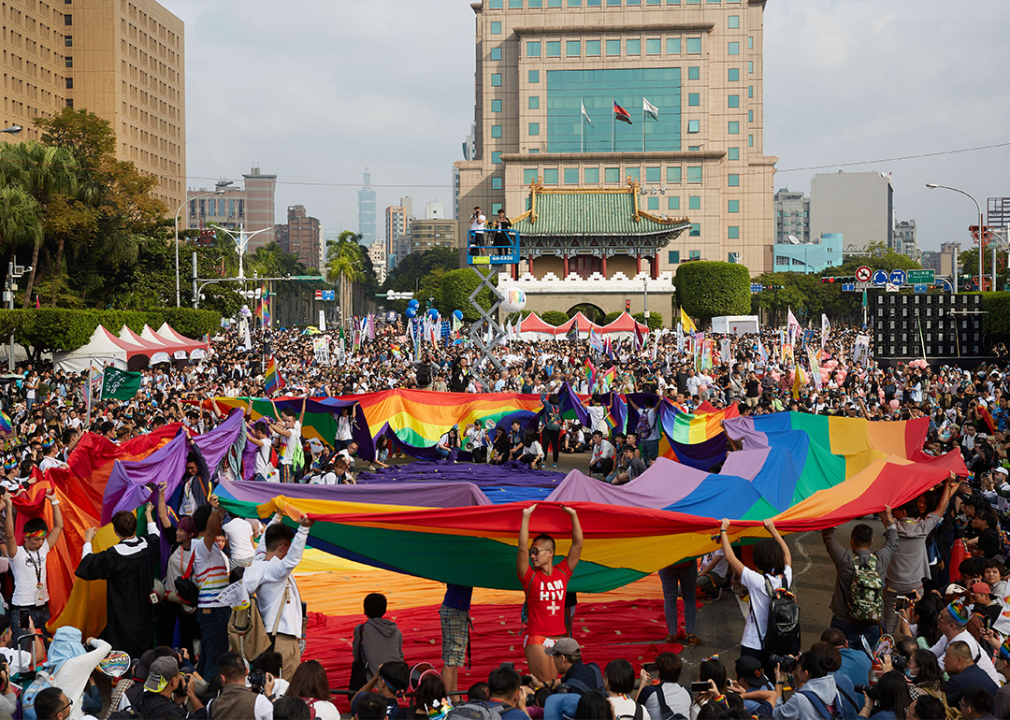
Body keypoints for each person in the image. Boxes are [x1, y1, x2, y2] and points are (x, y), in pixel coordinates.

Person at [76, 505, 161, 662]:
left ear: (115, 531)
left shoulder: (114, 556)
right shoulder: (147, 546)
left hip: (123, 614)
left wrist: (88, 541)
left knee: (123, 653)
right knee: (144, 649)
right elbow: (155, 535)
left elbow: (87, 565)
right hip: (145, 610)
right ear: (135, 527)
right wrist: (149, 515)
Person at [242, 510, 314, 681]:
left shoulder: (259, 563)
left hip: (271, 636)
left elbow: (262, 546)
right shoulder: (275, 571)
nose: (289, 551)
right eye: (288, 546)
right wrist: (303, 529)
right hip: (282, 639)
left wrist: (278, 515)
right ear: (283, 546)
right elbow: (292, 560)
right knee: (284, 687)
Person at [517, 503, 583, 684]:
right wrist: (526, 516)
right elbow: (522, 549)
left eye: (536, 552)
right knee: (546, 685)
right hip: (537, 638)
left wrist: (573, 515)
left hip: (560, 639)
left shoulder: (562, 572)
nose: (532, 556)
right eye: (532, 552)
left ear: (550, 553)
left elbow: (578, 544)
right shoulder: (529, 577)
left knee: (554, 685)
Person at [884, 477, 959, 633]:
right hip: (914, 586)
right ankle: (909, 646)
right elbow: (942, 507)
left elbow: (883, 511)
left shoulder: (893, 527)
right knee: (912, 618)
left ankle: (886, 648)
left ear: (902, 512)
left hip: (893, 585)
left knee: (890, 619)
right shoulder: (924, 527)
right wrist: (947, 485)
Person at [719, 517, 793, 670]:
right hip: (778, 643)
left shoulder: (757, 581)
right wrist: (773, 530)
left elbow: (729, 557)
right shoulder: (786, 576)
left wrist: (724, 530)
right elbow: (787, 554)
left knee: (749, 684)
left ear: (758, 561)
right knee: (773, 683)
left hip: (754, 643)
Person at [821, 506, 897, 648]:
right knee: (868, 662)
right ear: (872, 541)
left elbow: (828, 536)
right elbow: (893, 542)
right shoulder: (880, 560)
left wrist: (831, 510)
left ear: (852, 540)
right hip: (871, 623)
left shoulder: (845, 560)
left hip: (843, 621)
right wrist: (888, 518)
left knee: (838, 661)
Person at [5, 487, 63, 637]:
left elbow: (59, 527)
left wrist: (54, 501)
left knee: (49, 645)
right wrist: (9, 506)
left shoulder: (43, 548)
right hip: (22, 609)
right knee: (24, 647)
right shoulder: (16, 553)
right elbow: (10, 535)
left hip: (43, 607)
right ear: (26, 538)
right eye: (36, 539)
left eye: (42, 539)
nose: (40, 543)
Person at [193, 496, 231, 682]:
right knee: (214, 664)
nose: (220, 521)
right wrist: (214, 510)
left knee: (208, 658)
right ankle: (209, 702)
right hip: (214, 612)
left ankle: (198, 696)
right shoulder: (203, 546)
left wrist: (220, 509)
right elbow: (211, 530)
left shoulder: (210, 547)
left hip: (212, 611)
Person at [930, 601, 1001, 685]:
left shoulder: (964, 643)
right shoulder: (950, 634)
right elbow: (932, 654)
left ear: (952, 626)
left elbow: (937, 668)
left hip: (987, 693)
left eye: (941, 617)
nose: (937, 618)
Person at [769, 652, 840, 720]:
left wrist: (779, 682)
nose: (796, 670)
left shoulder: (800, 700)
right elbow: (805, 693)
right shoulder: (835, 690)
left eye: (798, 667)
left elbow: (776, 715)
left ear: (805, 674)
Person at [207, 651, 275, 720]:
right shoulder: (259, 702)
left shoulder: (211, 705)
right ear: (246, 671)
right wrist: (270, 695)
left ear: (222, 679)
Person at [353, 592, 404, 682]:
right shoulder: (396, 632)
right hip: (396, 679)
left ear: (365, 610)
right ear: (384, 610)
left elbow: (357, 656)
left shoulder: (361, 630)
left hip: (372, 682)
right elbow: (400, 655)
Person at [135, 655, 204, 718]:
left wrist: (176, 703)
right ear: (173, 681)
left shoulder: (141, 698)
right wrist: (191, 693)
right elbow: (202, 717)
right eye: (178, 674)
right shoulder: (172, 711)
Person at [943, 640, 999, 709]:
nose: (944, 660)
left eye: (947, 655)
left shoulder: (959, 681)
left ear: (959, 660)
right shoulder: (977, 671)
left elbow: (939, 706)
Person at [637, 652, 690, 720]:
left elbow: (636, 708)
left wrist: (642, 683)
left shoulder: (649, 691)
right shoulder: (687, 693)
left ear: (658, 672)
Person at [658, 559, 700, 645]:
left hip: (666, 564)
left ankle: (672, 635)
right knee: (689, 599)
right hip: (687, 563)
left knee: (669, 600)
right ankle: (691, 636)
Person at [440, 584, 473, 693]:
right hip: (454, 610)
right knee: (451, 659)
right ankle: (447, 698)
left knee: (454, 658)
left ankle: (454, 694)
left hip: (457, 609)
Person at [270, 399, 307, 484]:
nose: (285, 421)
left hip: (293, 456)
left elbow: (302, 412)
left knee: (288, 483)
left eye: (284, 417)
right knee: (290, 481)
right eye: (284, 419)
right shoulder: (287, 426)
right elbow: (276, 432)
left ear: (293, 421)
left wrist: (271, 423)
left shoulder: (294, 427)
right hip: (287, 458)